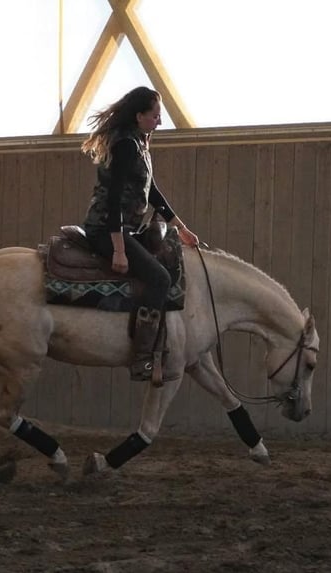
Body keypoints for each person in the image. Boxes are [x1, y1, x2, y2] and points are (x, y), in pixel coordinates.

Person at [81, 86, 199, 383]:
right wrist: (119, 249)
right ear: (139, 116)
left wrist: (181, 229)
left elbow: (153, 193)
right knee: (159, 278)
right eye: (155, 115)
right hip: (106, 230)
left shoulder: (140, 144)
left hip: (127, 229)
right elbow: (114, 198)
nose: (159, 121)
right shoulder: (125, 146)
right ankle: (142, 356)